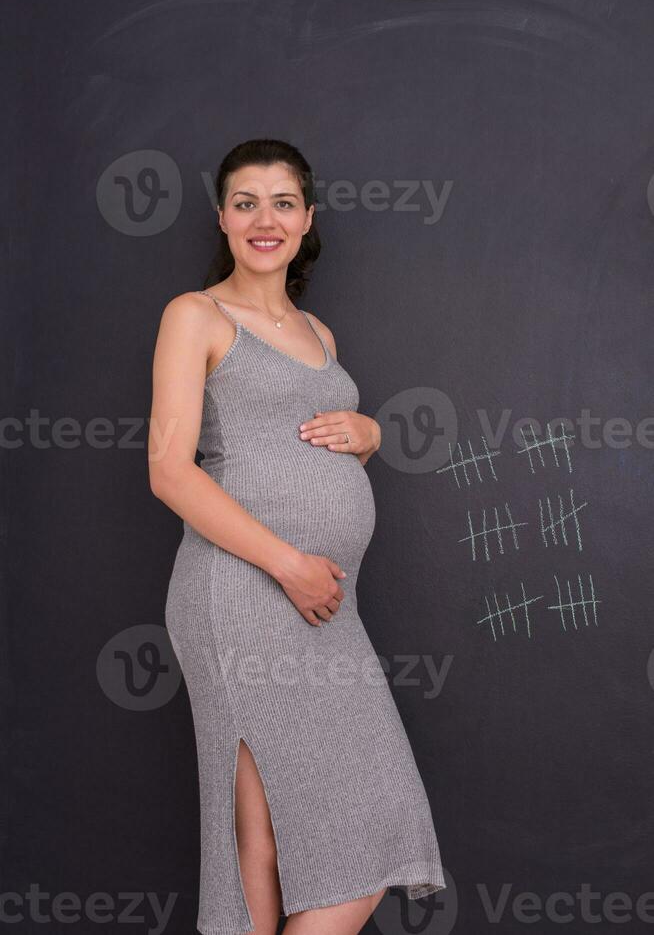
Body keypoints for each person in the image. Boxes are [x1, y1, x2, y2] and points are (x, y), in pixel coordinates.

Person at [148, 138, 446, 935]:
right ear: (223, 218)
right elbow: (170, 471)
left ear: (308, 218)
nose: (265, 219)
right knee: (263, 835)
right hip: (243, 589)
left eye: (283, 202)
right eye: (246, 202)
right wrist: (288, 565)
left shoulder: (319, 332)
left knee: (361, 822)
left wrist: (373, 433)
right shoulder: (197, 314)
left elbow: (314, 429)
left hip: (322, 604)